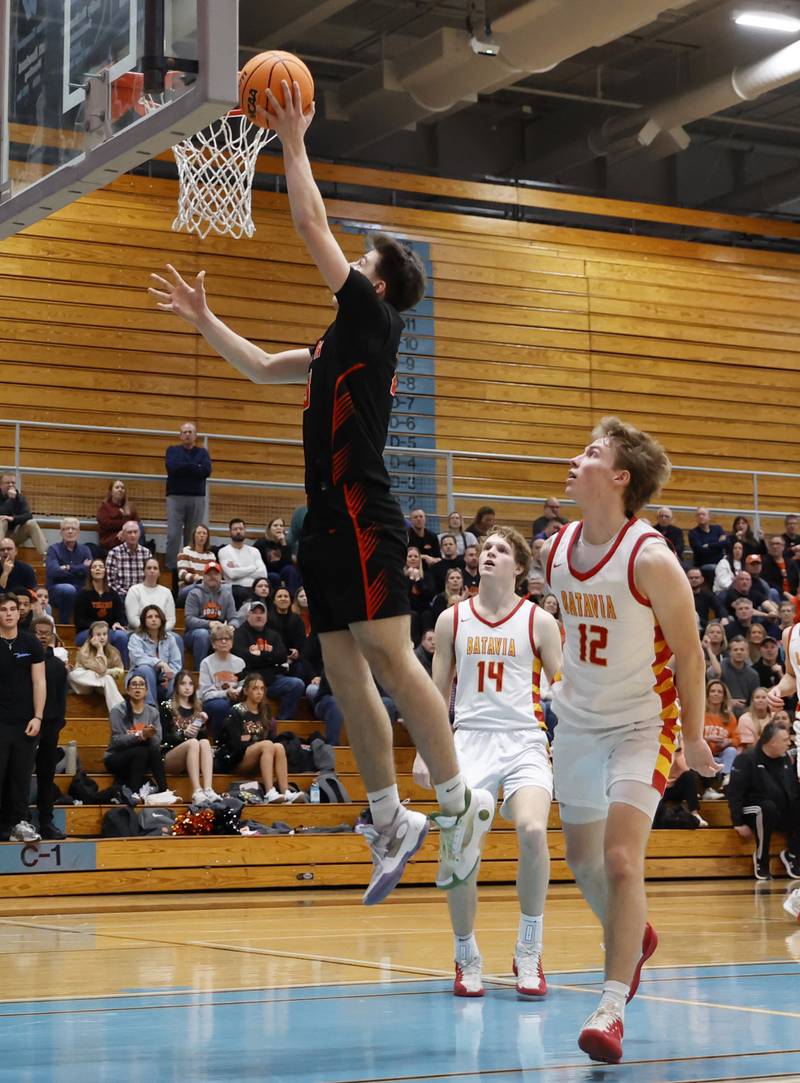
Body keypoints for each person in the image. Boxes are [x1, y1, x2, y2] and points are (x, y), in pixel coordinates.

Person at [149, 80, 492, 906]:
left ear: (374, 283)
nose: (349, 261)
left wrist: (294, 140)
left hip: (365, 512)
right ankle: (390, 816)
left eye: (359, 260)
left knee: (393, 662)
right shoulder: (336, 337)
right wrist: (205, 323)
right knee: (344, 672)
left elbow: (309, 224)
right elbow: (264, 366)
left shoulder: (377, 322)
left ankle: (456, 800)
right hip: (323, 525)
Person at [540, 417, 717, 1064]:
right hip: (578, 723)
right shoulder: (554, 550)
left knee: (620, 859)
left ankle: (610, 1007)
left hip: (646, 723)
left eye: (590, 453)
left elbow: (692, 654)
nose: (573, 459)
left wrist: (694, 737)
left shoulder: (651, 558)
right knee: (585, 864)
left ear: (620, 478)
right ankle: (632, 933)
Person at [414, 526, 563, 998]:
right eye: (486, 549)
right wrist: (425, 749)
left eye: (501, 550)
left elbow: (562, 685)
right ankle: (465, 954)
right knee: (461, 852)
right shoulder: (451, 619)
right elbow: (436, 693)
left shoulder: (538, 621)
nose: (489, 554)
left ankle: (529, 949)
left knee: (534, 831)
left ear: (519, 567)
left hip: (524, 739)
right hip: (469, 742)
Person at [727, 721, 800, 880]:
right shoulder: (747, 759)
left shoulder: (785, 759)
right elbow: (734, 792)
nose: (789, 743)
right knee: (766, 808)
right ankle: (761, 858)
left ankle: (793, 854)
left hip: (778, 811)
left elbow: (792, 790)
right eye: (785, 740)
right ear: (772, 742)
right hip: (752, 810)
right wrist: (738, 822)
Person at [215, 673, 303, 804]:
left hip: (258, 756)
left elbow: (269, 739)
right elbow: (236, 744)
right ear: (245, 691)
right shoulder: (236, 711)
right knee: (267, 744)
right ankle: (269, 792)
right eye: (255, 688)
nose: (259, 692)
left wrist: (253, 742)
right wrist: (256, 745)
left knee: (278, 746)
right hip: (236, 759)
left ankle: (285, 792)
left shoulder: (264, 711)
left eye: (262, 689)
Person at [0, 592, 45, 842]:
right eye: (3, 609)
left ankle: (18, 824)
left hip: (25, 722)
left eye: (12, 609)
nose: (8, 613)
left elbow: (39, 682)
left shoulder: (31, 643)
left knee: (20, 777)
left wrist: (38, 716)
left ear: (19, 613)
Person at [231, 601, 305, 719]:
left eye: (262, 613)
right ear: (247, 615)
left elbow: (282, 656)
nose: (259, 616)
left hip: (272, 680)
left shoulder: (273, 635)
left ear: (266, 616)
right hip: (248, 681)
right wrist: (269, 657)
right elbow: (242, 658)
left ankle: (282, 721)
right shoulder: (239, 634)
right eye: (255, 613)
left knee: (297, 684)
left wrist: (259, 655)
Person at [31, 615, 68, 840]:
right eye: (38, 632)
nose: (43, 636)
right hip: (25, 724)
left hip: (51, 724)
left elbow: (62, 696)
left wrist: (59, 721)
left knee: (47, 775)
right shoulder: (24, 661)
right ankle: (15, 818)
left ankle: (47, 821)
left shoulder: (57, 665)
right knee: (19, 774)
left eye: (47, 632)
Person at [104, 675, 170, 801]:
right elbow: (117, 741)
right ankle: (133, 792)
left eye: (141, 685)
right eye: (134, 684)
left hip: (143, 758)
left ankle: (164, 790)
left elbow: (157, 741)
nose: (137, 687)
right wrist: (140, 735)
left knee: (150, 750)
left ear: (146, 691)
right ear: (128, 690)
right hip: (116, 757)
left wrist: (149, 736)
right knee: (141, 751)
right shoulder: (118, 710)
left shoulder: (153, 712)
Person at [160, 670, 220, 806]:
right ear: (176, 686)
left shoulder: (197, 708)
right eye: (183, 684)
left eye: (190, 684)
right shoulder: (166, 706)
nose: (187, 687)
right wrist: (183, 734)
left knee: (204, 742)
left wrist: (202, 726)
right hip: (169, 755)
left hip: (192, 757)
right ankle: (196, 791)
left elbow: (202, 738)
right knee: (193, 743)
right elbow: (163, 738)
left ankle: (208, 789)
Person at [165, 422, 211, 572]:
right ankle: (172, 569)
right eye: (184, 432)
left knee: (193, 536)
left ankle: (191, 568)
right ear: (180, 435)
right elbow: (172, 469)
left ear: (195, 435)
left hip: (197, 498)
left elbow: (206, 471)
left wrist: (184, 466)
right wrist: (194, 467)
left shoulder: (203, 453)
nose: (187, 434)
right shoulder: (172, 450)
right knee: (173, 535)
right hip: (175, 497)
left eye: (190, 432)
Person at [73, 558, 129, 663]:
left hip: (108, 632)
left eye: (100, 567)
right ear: (90, 572)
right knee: (99, 637)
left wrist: (118, 623)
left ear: (105, 571)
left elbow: (120, 616)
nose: (98, 569)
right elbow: (79, 621)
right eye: (94, 567)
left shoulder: (113, 594)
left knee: (122, 636)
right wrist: (98, 628)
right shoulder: (82, 594)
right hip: (87, 632)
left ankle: (123, 672)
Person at [184, 561, 237, 664]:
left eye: (215, 574)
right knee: (202, 634)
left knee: (233, 634)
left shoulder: (227, 594)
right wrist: (209, 624)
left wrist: (231, 626)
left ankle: (231, 672)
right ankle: (200, 672)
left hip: (220, 631)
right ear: (203, 577)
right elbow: (189, 620)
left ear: (221, 576)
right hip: (196, 632)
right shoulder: (194, 593)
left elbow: (234, 618)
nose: (212, 577)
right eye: (209, 574)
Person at [128, 605, 181, 706]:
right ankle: (151, 709)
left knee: (177, 678)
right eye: (150, 617)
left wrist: (168, 676)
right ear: (143, 620)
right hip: (141, 677)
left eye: (157, 616)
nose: (154, 619)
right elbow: (138, 659)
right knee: (145, 669)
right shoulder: (135, 638)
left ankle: (171, 714)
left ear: (162, 620)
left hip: (163, 677)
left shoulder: (170, 638)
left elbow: (176, 662)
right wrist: (160, 663)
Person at [198, 624, 245, 735]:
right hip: (213, 702)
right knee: (221, 706)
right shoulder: (206, 663)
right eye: (220, 639)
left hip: (236, 699)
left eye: (227, 638)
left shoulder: (240, 662)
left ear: (232, 642)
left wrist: (237, 692)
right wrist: (226, 693)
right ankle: (218, 741)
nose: (224, 642)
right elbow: (205, 694)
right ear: (213, 644)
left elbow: (243, 686)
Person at [68, 620, 125, 711]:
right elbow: (101, 669)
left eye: (104, 634)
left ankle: (118, 711)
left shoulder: (113, 651)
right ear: (91, 636)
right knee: (74, 674)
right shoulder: (84, 651)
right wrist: (99, 649)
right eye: (98, 635)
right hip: (85, 686)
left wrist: (107, 673)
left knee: (107, 678)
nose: (102, 637)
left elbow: (120, 671)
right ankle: (121, 709)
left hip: (102, 685)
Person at [45, 517, 92, 623]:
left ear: (78, 532)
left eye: (73, 529)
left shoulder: (85, 550)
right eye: (66, 529)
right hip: (56, 590)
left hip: (80, 588)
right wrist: (80, 568)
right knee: (68, 590)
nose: (70, 531)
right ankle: (64, 625)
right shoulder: (53, 549)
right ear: (61, 532)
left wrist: (68, 567)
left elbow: (88, 571)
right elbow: (53, 572)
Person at [217, 518, 268, 607]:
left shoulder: (254, 551)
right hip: (234, 589)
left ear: (245, 531)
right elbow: (232, 574)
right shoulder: (224, 551)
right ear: (230, 532)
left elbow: (263, 574)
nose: (238, 531)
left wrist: (239, 569)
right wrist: (253, 568)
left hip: (254, 588)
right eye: (235, 529)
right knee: (241, 592)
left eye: (241, 529)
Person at [702, 679, 740, 790]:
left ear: (724, 696)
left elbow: (737, 739)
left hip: (722, 757)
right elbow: (691, 738)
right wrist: (707, 738)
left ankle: (725, 778)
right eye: (713, 691)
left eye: (719, 692)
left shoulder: (729, 717)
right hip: (705, 755)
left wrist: (727, 741)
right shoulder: (700, 715)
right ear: (707, 695)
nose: (716, 694)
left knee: (731, 750)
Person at [97, 479, 150, 555]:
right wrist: (125, 526)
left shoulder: (130, 506)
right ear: (111, 492)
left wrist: (125, 531)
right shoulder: (104, 507)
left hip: (128, 535)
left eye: (122, 488)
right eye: (117, 487)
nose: (120, 489)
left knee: (139, 527)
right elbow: (106, 524)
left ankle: (139, 554)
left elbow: (137, 522)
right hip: (111, 538)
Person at [0, 473, 47, 556]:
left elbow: (28, 515)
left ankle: (47, 557)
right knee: (2, 521)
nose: (11, 485)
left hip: (12, 536)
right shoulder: (12, 498)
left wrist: (13, 518)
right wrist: (11, 499)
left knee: (31, 523)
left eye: (13, 483)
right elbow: (2, 513)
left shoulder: (19, 498)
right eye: (7, 482)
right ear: (1, 485)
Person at [125, 557, 177, 632]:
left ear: (159, 573)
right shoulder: (134, 590)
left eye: (155, 568)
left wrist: (159, 631)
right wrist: (149, 630)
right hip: (139, 631)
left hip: (162, 632)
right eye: (149, 568)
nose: (152, 570)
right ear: (144, 571)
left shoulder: (166, 592)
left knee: (177, 638)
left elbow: (171, 620)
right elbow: (132, 619)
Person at [254, 517, 301, 594]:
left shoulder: (286, 544)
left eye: (281, 526)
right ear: (269, 529)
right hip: (268, 572)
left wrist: (283, 544)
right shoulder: (261, 544)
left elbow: (288, 564)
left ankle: (292, 597)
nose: (279, 528)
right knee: (274, 576)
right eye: (275, 525)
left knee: (290, 569)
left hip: (282, 571)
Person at [106, 521, 150, 601]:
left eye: (135, 532)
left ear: (139, 534)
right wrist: (128, 595)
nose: (133, 535)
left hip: (142, 595)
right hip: (121, 596)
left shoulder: (146, 553)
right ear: (123, 535)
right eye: (129, 532)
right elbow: (111, 582)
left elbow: (150, 578)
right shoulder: (114, 553)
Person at [268, 586, 307, 676]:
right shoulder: (268, 620)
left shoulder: (296, 619)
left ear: (290, 600)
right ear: (274, 601)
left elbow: (302, 641)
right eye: (279, 596)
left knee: (301, 668)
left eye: (286, 596)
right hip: (275, 660)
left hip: (295, 660)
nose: (283, 599)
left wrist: (297, 652)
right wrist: (283, 657)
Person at [720, 637, 760, 719]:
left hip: (745, 715)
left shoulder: (753, 675)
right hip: (722, 711)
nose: (739, 652)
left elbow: (754, 700)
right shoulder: (721, 669)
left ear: (747, 652)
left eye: (742, 650)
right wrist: (729, 702)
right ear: (730, 652)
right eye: (735, 650)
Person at [176, 523, 215, 604]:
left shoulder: (211, 556)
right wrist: (195, 578)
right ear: (194, 535)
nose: (202, 535)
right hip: (189, 587)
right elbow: (181, 573)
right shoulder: (185, 551)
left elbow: (213, 574)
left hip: (207, 587)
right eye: (199, 533)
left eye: (204, 533)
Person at [688, 507, 727, 576]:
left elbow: (726, 543)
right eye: (698, 515)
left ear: (709, 517)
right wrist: (718, 546)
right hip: (704, 564)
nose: (701, 516)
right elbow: (700, 551)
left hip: (721, 563)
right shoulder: (693, 533)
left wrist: (709, 545)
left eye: (703, 514)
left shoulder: (717, 529)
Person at [687, 567, 725, 635]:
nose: (694, 580)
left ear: (702, 579)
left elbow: (719, 607)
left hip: (704, 628)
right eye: (691, 578)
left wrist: (724, 617)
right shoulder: (682, 596)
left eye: (696, 578)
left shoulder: (707, 595)